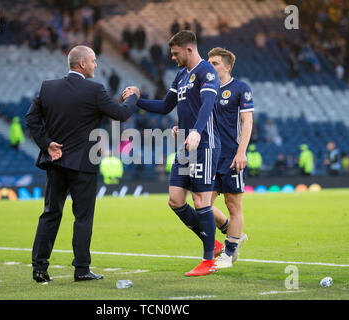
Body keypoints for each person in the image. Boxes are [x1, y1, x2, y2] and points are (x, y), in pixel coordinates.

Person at [25, 45, 138, 283]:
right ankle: (82, 269)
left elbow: (31, 118)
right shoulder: (94, 90)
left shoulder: (48, 87)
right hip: (84, 165)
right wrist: (134, 96)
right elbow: (120, 114)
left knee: (50, 213)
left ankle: (39, 268)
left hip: (55, 162)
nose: (96, 65)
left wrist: (46, 144)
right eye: (94, 61)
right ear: (83, 64)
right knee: (83, 217)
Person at [123, 30, 221, 277]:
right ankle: (215, 243)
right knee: (176, 200)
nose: (172, 57)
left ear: (189, 49)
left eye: (175, 53)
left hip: (205, 143)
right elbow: (166, 106)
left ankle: (208, 260)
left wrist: (197, 131)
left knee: (200, 201)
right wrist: (137, 100)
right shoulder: (180, 76)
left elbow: (208, 104)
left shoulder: (206, 72)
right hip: (186, 147)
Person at [204, 47, 253, 268]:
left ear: (227, 67)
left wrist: (241, 151)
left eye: (215, 63)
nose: (210, 66)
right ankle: (233, 234)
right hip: (209, 156)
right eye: (208, 62)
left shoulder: (240, 88)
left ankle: (229, 252)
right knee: (201, 204)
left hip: (231, 156)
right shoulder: (204, 89)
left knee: (233, 205)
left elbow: (247, 122)